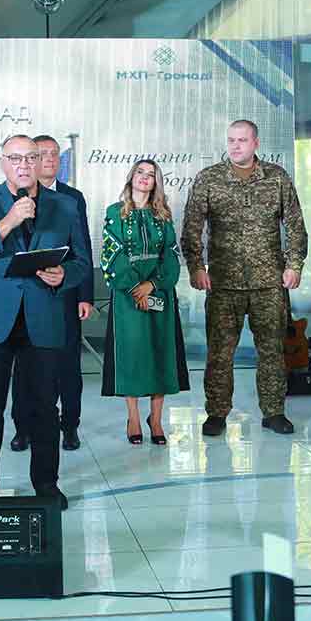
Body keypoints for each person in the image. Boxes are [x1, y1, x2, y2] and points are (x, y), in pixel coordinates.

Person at [0, 135, 91, 510]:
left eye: (31, 157)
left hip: (43, 316)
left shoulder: (65, 205)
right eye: (15, 158)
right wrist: (7, 223)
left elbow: (82, 260)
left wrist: (64, 275)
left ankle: (46, 485)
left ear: (41, 162)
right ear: (3, 163)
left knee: (46, 407)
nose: (24, 165)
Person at [182, 119, 308, 437]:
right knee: (219, 353)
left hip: (269, 282)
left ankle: (274, 412)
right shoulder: (209, 178)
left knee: (272, 351)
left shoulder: (276, 177)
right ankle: (216, 413)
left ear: (255, 143)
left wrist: (294, 265)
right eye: (231, 140)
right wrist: (196, 267)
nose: (235, 146)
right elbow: (191, 228)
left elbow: (295, 225)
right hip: (223, 283)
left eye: (242, 140)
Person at [9, 134, 94, 453]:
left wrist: (84, 294)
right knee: (24, 367)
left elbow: (82, 248)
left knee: (67, 365)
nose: (50, 159)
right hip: (25, 298)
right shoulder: (13, 196)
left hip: (65, 295)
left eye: (55, 154)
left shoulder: (73, 198)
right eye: (42, 153)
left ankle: (69, 426)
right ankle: (23, 428)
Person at [100, 160, 190, 443]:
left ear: (155, 183)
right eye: (140, 172)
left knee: (160, 353)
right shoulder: (115, 213)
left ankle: (157, 420)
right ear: (131, 177)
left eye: (151, 175)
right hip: (127, 296)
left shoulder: (163, 215)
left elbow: (171, 256)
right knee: (132, 355)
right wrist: (135, 288)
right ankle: (134, 418)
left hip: (159, 293)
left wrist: (153, 285)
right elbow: (111, 255)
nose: (144, 178)